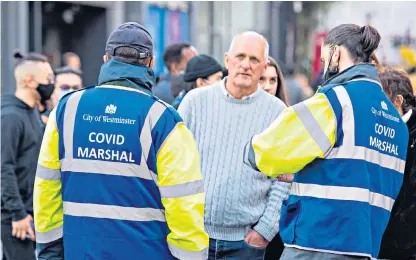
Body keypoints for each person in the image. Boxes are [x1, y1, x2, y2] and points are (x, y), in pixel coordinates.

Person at [33, 22, 208, 260]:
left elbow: (47, 189)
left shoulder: (66, 110)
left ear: (107, 59)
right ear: (151, 63)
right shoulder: (164, 120)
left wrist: (48, 251)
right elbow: (184, 206)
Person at [244, 24, 408, 260]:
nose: (323, 66)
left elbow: (266, 152)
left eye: (324, 58)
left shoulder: (334, 101)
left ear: (337, 53)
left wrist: (250, 150)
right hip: (366, 248)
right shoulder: (396, 123)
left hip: (316, 244)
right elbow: (356, 172)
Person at [178, 31, 291, 260]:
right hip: (193, 237)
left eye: (254, 59)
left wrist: (265, 231)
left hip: (246, 246)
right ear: (227, 60)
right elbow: (173, 166)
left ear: (264, 66)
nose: (246, 65)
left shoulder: (279, 113)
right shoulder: (194, 102)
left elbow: (284, 181)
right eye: (240, 57)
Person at [1, 52, 55, 260]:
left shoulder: (31, 112)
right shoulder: (11, 117)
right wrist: (17, 214)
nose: (51, 83)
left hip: (29, 213)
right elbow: (4, 168)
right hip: (14, 218)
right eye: (47, 79)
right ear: (28, 81)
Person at [378, 69, 416, 260]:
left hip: (403, 246)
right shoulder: (381, 131)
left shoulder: (412, 136)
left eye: (381, 100)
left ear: (397, 102)